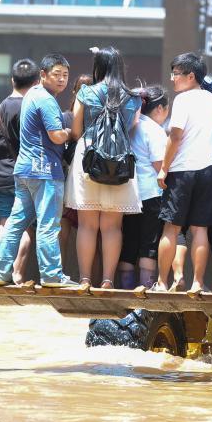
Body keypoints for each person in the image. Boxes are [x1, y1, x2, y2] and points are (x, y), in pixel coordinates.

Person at [0, 54, 75, 287]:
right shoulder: (46, 100)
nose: (61, 79)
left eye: (65, 75)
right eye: (56, 74)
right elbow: (56, 136)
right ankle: (52, 275)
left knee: (16, 223)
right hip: (44, 171)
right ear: (43, 75)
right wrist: (70, 133)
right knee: (48, 225)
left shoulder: (31, 94)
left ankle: (0, 273)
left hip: (24, 171)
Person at [66, 47, 143, 291]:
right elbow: (130, 128)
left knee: (87, 225)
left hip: (89, 159)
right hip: (119, 161)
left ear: (98, 67)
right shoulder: (133, 98)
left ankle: (85, 279)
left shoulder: (86, 92)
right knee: (112, 227)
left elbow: (75, 131)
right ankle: (108, 280)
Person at [155, 52, 212, 296]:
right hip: (207, 171)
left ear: (191, 76)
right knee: (200, 229)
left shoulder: (183, 100)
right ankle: (197, 283)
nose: (172, 79)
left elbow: (175, 136)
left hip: (181, 172)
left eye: (176, 74)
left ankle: (162, 282)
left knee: (171, 228)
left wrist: (164, 168)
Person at [0, 58, 39, 284]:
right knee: (24, 228)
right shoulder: (29, 107)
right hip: (24, 176)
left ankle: (0, 272)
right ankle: (17, 273)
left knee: (4, 224)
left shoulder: (0, 108)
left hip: (1, 175)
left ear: (12, 80)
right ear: (37, 82)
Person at [118, 84, 169, 290]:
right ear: (160, 108)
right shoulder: (154, 130)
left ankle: (126, 289)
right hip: (151, 194)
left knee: (129, 243)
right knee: (149, 243)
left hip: (128, 193)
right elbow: (159, 166)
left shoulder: (130, 125)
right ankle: (145, 288)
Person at [59, 73, 91, 264]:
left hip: (66, 177)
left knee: (63, 229)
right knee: (93, 230)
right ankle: (91, 277)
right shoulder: (98, 118)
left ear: (73, 91)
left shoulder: (66, 117)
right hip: (91, 178)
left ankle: (59, 272)